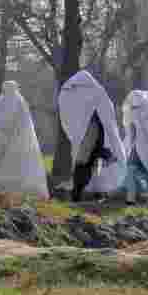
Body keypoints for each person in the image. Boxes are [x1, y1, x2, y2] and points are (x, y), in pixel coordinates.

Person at [58, 70, 126, 202]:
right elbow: (107, 111)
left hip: (89, 137)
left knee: (87, 163)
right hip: (93, 136)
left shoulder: (72, 92)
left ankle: (87, 193)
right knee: (88, 164)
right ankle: (86, 193)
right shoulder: (96, 91)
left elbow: (68, 112)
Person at [0, 81, 49, 204]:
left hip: (15, 140)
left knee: (10, 167)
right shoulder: (7, 102)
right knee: (4, 167)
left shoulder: (11, 102)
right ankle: (4, 196)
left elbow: (6, 121)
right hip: (5, 140)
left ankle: (11, 196)